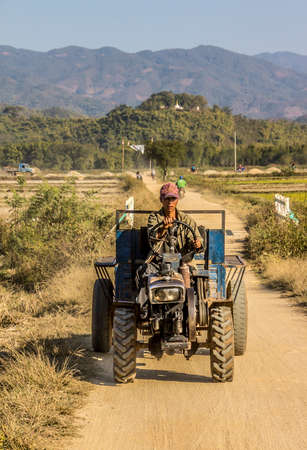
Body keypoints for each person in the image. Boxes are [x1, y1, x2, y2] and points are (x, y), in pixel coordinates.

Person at [147, 182, 202, 258]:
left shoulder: (186, 219)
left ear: (177, 199)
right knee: (146, 270)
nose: (170, 202)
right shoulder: (154, 217)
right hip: (158, 259)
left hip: (183, 259)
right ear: (161, 200)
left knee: (191, 270)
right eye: (167, 199)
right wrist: (164, 228)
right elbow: (152, 237)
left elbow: (196, 237)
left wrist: (196, 243)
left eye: (173, 198)